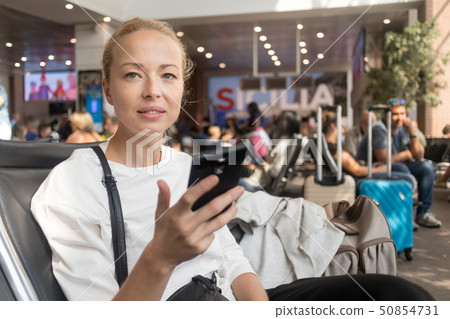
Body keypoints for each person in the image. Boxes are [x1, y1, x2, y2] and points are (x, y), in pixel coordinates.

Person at [31, 18, 433, 302]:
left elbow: (230, 257)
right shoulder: (71, 184)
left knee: (395, 295)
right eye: (134, 75)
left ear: (182, 90)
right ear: (107, 89)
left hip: (228, 301)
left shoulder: (185, 165)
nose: (154, 90)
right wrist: (160, 258)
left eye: (168, 75)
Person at [356, 99, 441, 228]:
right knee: (402, 168)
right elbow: (384, 158)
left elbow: (419, 156)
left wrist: (412, 134)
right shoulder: (379, 129)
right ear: (386, 115)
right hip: (375, 169)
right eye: (395, 114)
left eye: (402, 114)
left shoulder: (404, 129)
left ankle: (423, 213)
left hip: (395, 167)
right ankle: (406, 214)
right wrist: (406, 154)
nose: (399, 118)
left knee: (426, 167)